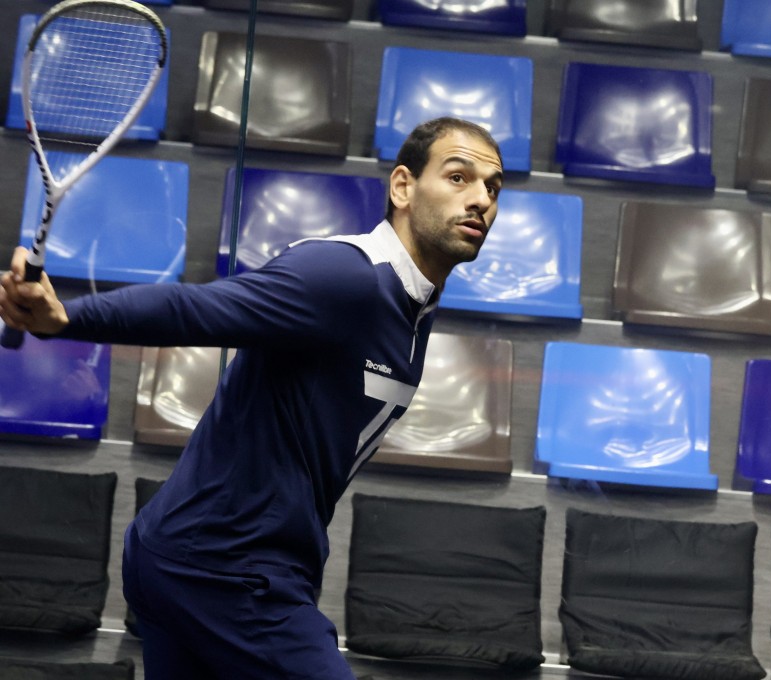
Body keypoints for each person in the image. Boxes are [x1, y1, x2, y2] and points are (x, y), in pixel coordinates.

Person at [0, 116, 504, 680]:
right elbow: (200, 310)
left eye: (492, 187)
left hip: (192, 558)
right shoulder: (344, 275)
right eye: (459, 177)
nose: (481, 199)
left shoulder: (415, 304)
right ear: (403, 187)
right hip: (225, 571)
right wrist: (67, 317)